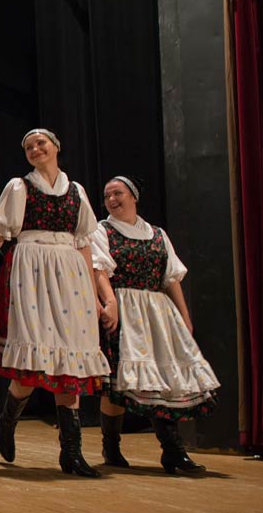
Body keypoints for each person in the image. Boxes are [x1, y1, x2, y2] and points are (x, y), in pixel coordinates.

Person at [0, 128, 110, 478]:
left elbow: (84, 243)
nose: (35, 148)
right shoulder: (19, 187)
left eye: (41, 143)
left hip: (70, 275)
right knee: (33, 364)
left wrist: (94, 295)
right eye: (28, 146)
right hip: (31, 271)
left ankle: (71, 453)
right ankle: (8, 418)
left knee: (70, 361)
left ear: (56, 147)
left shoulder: (76, 191)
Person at [90, 176, 218, 475]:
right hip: (124, 309)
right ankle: (112, 446)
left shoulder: (157, 234)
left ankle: (172, 450)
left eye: (118, 193)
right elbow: (98, 271)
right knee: (116, 387)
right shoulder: (102, 230)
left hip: (157, 313)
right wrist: (110, 303)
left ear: (133, 196)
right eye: (107, 196)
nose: (112, 200)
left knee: (159, 381)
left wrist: (184, 316)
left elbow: (170, 278)